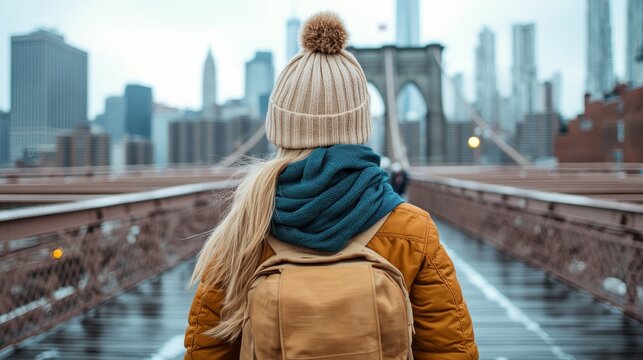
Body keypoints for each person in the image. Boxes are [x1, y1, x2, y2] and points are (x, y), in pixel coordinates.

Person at [183, 12, 478, 360]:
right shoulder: (412, 231)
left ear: (279, 125)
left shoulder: (243, 229)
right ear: (360, 124)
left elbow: (207, 351)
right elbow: (451, 352)